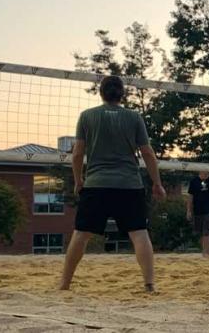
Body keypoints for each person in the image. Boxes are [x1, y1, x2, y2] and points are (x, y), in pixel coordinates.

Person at [58, 76, 167, 293]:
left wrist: (79, 180)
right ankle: (149, 285)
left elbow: (78, 153)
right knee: (139, 233)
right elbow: (147, 153)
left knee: (81, 233)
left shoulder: (87, 116)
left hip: (96, 183)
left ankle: (64, 284)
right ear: (122, 93)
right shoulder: (134, 117)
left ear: (101, 92)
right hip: (129, 184)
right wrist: (157, 183)